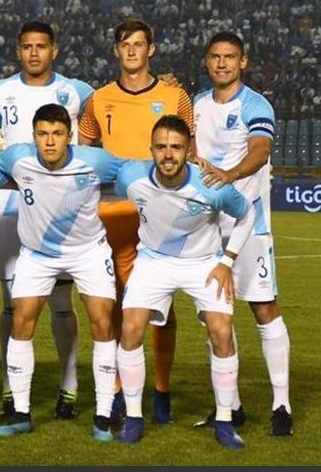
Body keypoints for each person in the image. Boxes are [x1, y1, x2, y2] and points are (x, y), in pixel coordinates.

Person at [78, 18, 195, 425]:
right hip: (108, 216)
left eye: (139, 44)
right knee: (108, 306)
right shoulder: (98, 99)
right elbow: (85, 151)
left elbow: (186, 150)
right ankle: (113, 392)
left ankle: (161, 391)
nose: (132, 51)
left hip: (156, 218)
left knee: (160, 307)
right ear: (116, 50)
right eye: (125, 44)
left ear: (152, 50)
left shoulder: (174, 95)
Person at [113, 115, 254, 448]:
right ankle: (134, 418)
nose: (168, 154)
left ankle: (224, 422)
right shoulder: (131, 176)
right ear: (151, 150)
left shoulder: (210, 183)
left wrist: (227, 260)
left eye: (176, 147)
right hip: (153, 261)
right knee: (131, 327)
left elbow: (247, 213)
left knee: (222, 331)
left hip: (203, 264)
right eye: (161, 147)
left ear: (189, 150)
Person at [0, 104, 121, 441]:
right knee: (22, 319)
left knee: (103, 321)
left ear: (69, 136)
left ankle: (104, 415)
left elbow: (132, 171)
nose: (49, 142)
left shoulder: (94, 161)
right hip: (38, 254)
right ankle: (20, 411)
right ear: (34, 136)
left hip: (88, 251)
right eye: (43, 134)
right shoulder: (18, 158)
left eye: (57, 134)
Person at [0, 21, 93, 420]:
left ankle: (68, 388)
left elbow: (103, 127)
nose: (34, 53)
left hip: (61, 212)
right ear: (18, 51)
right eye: (27, 47)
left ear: (54, 50)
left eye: (41, 46)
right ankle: (13, 390)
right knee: (13, 303)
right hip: (13, 210)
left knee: (62, 302)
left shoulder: (79, 92)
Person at [191, 31, 293, 436]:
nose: (222, 63)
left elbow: (261, 151)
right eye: (215, 56)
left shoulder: (256, 104)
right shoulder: (197, 104)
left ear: (243, 62)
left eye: (229, 57)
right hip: (206, 229)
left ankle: (281, 405)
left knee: (264, 309)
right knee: (213, 317)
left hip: (250, 226)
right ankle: (230, 408)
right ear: (207, 60)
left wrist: (229, 176)